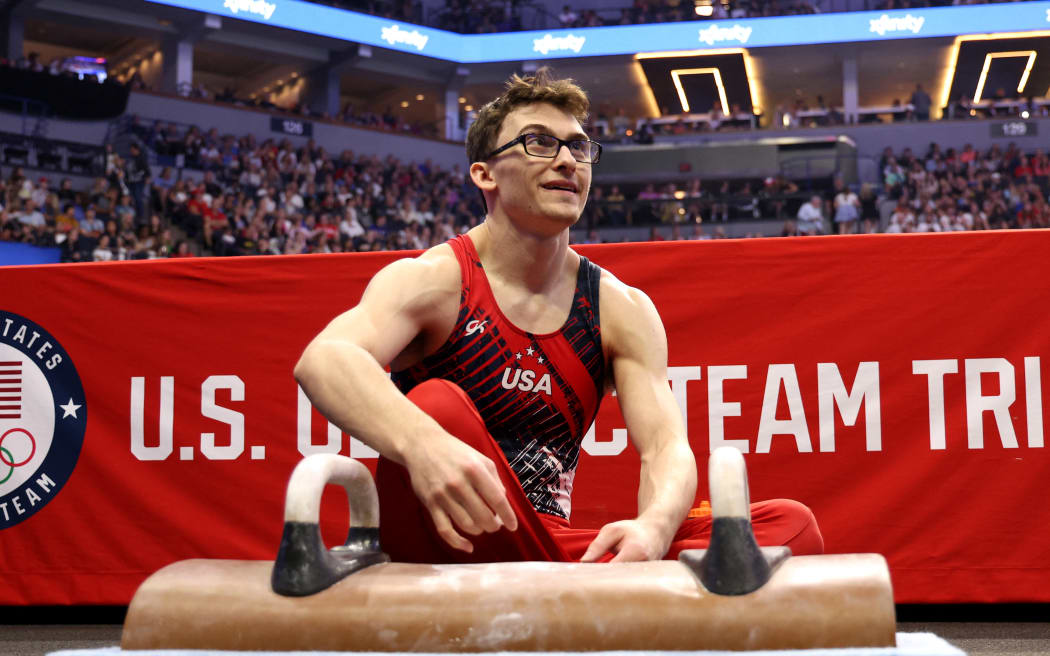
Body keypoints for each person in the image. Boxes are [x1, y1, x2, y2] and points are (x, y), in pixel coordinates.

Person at [294, 69, 822, 565]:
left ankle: (589, 587)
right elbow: (324, 359)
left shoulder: (618, 307)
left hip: (548, 546)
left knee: (790, 527)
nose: (567, 161)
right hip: (445, 532)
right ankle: (601, 598)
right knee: (437, 405)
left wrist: (654, 530)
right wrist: (421, 444)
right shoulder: (437, 279)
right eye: (540, 143)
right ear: (485, 174)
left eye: (577, 147)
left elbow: (665, 447)